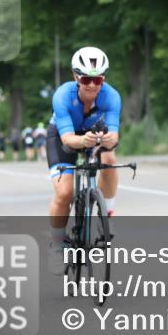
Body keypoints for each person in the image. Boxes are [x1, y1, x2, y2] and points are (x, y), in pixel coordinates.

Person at [46, 46, 122, 274]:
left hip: (95, 136)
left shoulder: (112, 96)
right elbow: (68, 139)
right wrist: (84, 140)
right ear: (75, 77)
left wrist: (107, 140)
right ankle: (58, 244)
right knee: (64, 193)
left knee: (109, 156)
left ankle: (105, 213)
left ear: (103, 79)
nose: (92, 85)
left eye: (97, 79)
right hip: (63, 137)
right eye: (86, 79)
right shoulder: (62, 95)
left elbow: (115, 136)